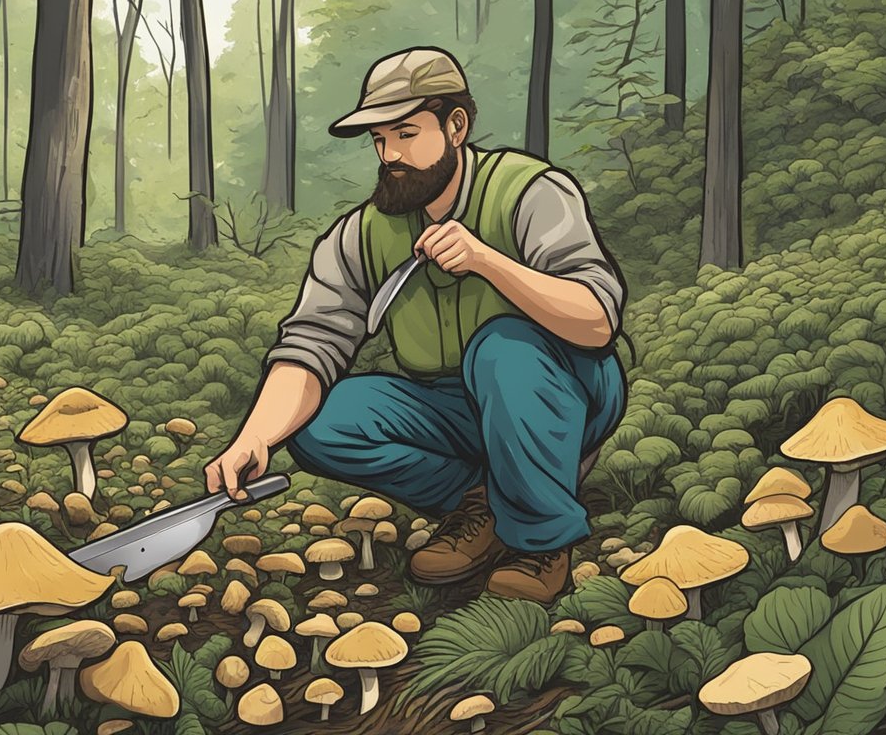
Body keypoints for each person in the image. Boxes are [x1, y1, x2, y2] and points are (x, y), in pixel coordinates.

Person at [204, 46, 628, 603]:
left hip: (564, 386)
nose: (390, 155)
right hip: (453, 405)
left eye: (406, 133)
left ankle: (541, 540)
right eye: (380, 140)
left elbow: (597, 323)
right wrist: (255, 437)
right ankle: (482, 503)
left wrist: (489, 262)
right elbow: (311, 344)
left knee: (502, 349)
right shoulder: (361, 234)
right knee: (320, 423)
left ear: (456, 126)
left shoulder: (530, 191)